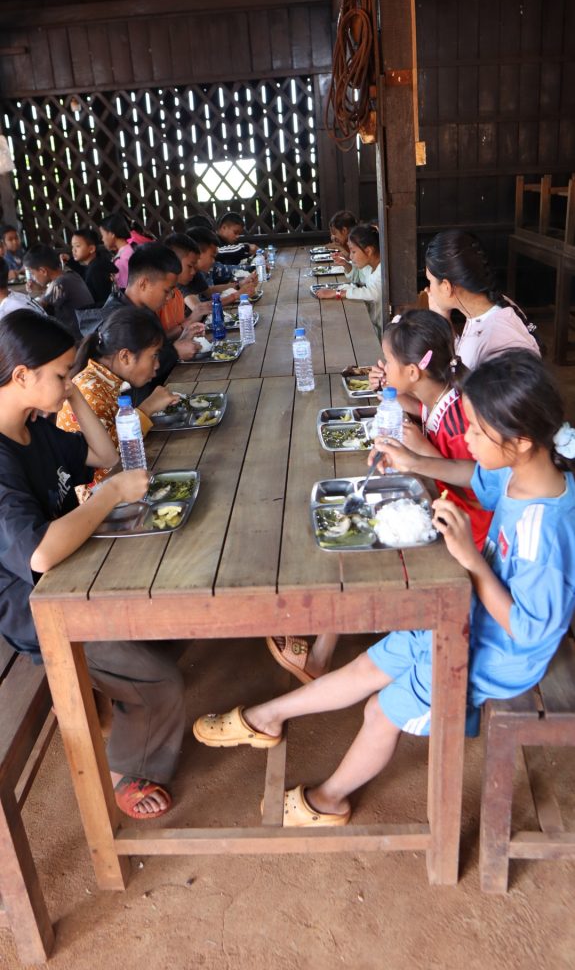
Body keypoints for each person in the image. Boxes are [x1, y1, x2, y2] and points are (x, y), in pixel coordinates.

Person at [193, 349, 575, 827]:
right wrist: (413, 460)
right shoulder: (524, 473)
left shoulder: (544, 532)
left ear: (519, 441)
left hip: (500, 655)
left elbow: (529, 630)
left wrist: (472, 560)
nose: (466, 439)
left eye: (476, 431)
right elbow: (477, 477)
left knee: (380, 710)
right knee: (371, 663)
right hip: (470, 615)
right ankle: (268, 716)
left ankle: (330, 799)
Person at [0, 310, 185, 819]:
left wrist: (71, 394)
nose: (70, 382)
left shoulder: (32, 428)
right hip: (35, 606)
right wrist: (109, 496)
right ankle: (128, 767)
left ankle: (115, 698)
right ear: (22, 376)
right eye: (62, 374)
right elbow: (38, 554)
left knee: (168, 604)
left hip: (75, 573)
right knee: (160, 679)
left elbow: (104, 454)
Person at [268, 309, 492, 685]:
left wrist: (420, 454)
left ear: (413, 371)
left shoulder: (458, 419)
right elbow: (423, 409)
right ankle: (323, 649)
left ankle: (322, 654)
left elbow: (479, 491)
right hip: (446, 507)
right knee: (363, 515)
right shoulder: (439, 396)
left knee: (366, 535)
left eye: (388, 360)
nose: (382, 365)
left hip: (468, 532)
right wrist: (390, 394)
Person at [57, 307, 181, 485]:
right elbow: (108, 462)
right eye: (153, 356)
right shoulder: (89, 390)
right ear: (125, 357)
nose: (157, 365)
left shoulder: (104, 380)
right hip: (97, 494)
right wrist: (147, 408)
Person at [424, 229, 540, 368]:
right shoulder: (486, 307)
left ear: (446, 287)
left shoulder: (498, 336)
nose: (428, 289)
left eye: (430, 281)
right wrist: (443, 319)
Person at [102, 242, 202, 402]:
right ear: (143, 283)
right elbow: (134, 371)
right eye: (166, 290)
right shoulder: (117, 320)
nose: (169, 297)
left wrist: (182, 338)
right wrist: (175, 352)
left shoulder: (144, 310)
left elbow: (155, 350)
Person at [316, 224, 382, 339]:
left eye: (353, 252)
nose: (350, 256)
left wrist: (338, 293)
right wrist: (346, 265)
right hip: (370, 322)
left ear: (368, 251)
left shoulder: (382, 270)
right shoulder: (370, 266)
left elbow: (373, 293)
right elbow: (359, 276)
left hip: (380, 333)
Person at [23, 244, 95, 340]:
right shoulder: (70, 275)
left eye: (32, 273)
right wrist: (40, 289)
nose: (33, 278)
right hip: (89, 333)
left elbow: (37, 308)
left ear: (43, 271)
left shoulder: (59, 283)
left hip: (78, 340)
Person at [161, 233, 211, 330]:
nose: (193, 272)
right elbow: (160, 338)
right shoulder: (157, 296)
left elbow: (180, 331)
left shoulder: (178, 294)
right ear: (174, 261)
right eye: (189, 266)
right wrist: (191, 320)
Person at [69, 227, 116, 306]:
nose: (73, 250)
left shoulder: (96, 269)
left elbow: (104, 301)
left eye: (77, 246)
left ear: (91, 249)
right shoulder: (95, 264)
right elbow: (84, 272)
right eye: (72, 246)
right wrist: (70, 262)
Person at [99, 214, 134, 290]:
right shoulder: (128, 250)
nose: (102, 239)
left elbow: (124, 288)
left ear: (112, 234)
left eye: (103, 235)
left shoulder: (121, 259)